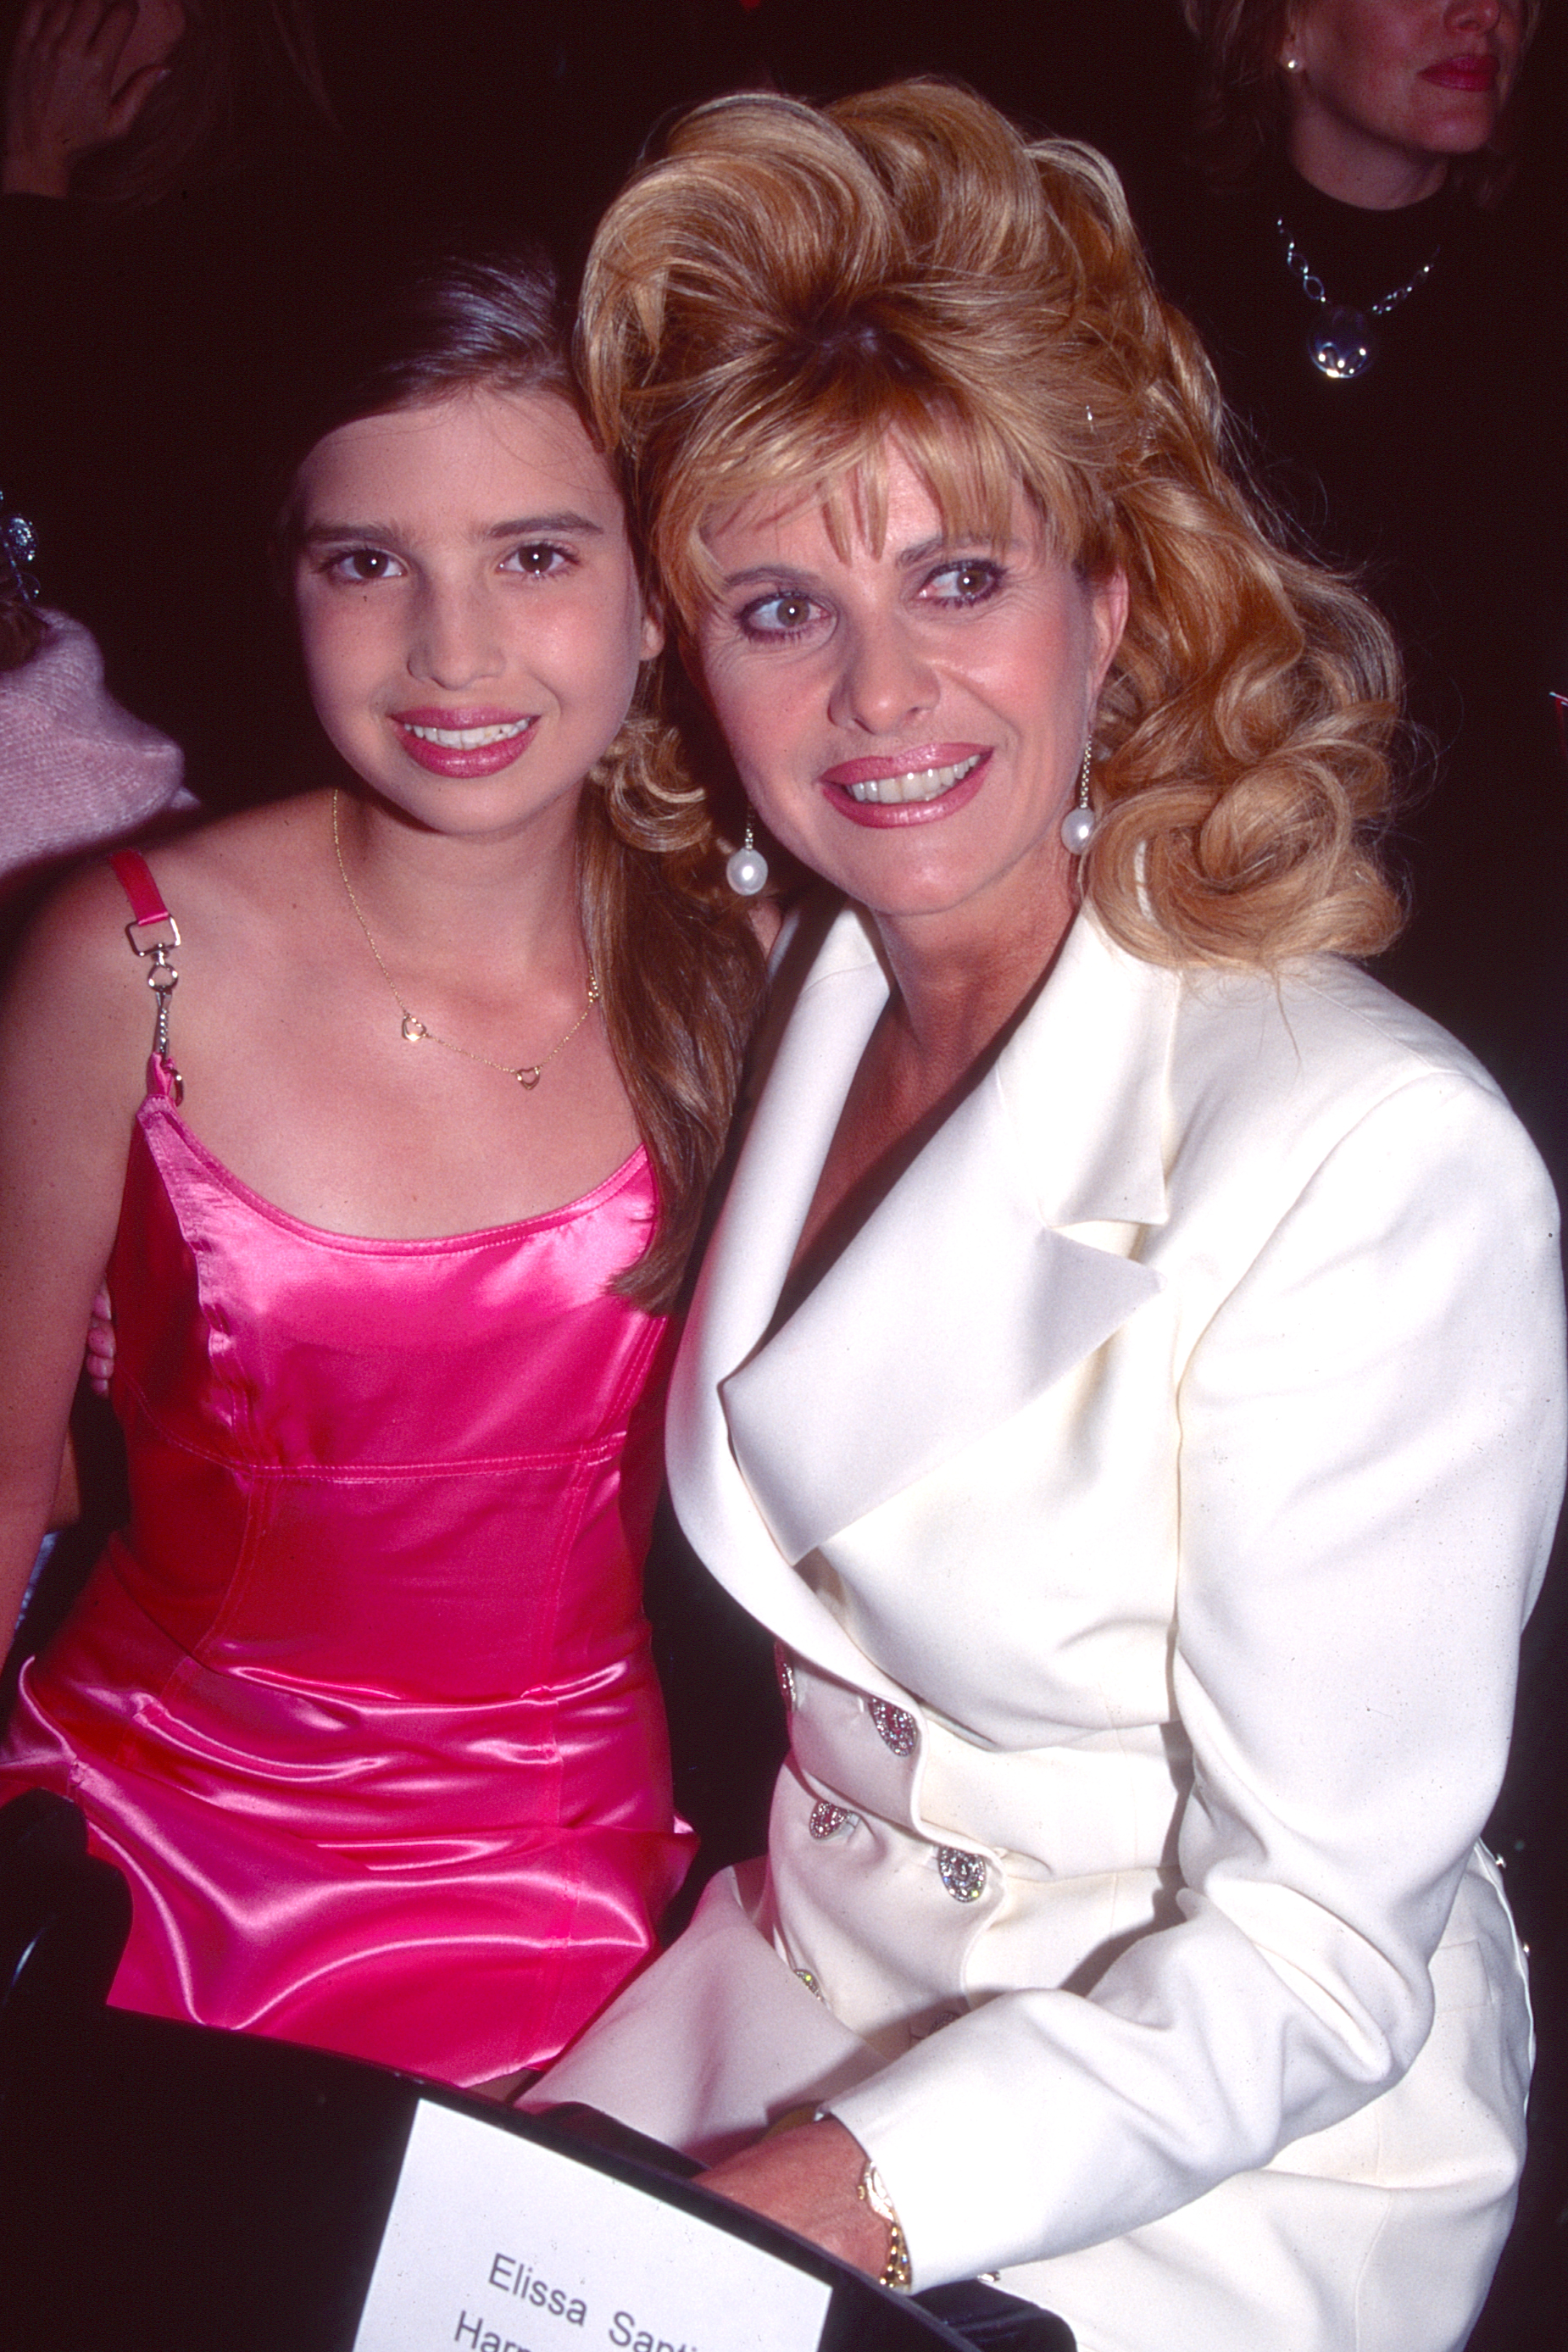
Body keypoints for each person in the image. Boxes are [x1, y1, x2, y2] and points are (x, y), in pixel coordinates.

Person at [530, 81, 1567, 2349]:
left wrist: (844, 2192)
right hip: (800, 1993)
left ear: (1111, 608)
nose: (878, 693)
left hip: (1207, 2133)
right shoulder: (810, 999)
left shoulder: (1371, 1160)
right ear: (694, 674)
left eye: (961, 578)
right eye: (780, 605)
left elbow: (1309, 1954)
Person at [0, 254, 766, 2090]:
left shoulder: (754, 981)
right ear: (288, 580)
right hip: (138, 1845)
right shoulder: (128, 958)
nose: (451, 648)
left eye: (535, 554)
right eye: (369, 562)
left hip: (555, 1886)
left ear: (659, 600)